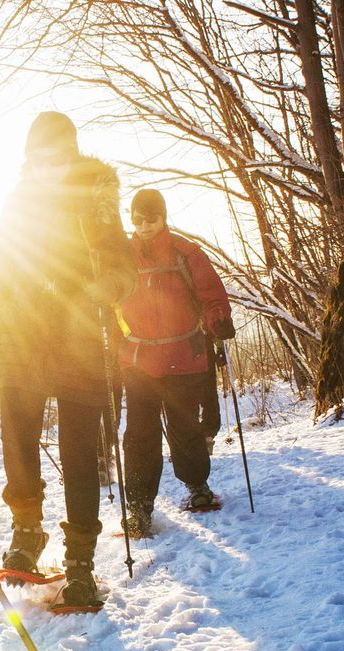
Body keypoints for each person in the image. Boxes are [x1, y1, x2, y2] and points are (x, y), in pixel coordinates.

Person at [0, 111, 136, 609]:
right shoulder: (17, 202)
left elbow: (123, 266)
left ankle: (80, 561)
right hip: (22, 334)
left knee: (78, 451)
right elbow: (1, 267)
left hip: (80, 337)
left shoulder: (96, 197)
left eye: (56, 157)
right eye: (37, 158)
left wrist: (106, 286)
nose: (47, 167)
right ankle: (27, 530)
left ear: (72, 154)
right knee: (16, 436)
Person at [117, 189, 234, 535]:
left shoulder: (186, 252)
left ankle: (197, 485)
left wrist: (218, 319)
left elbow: (211, 295)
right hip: (138, 359)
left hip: (182, 355)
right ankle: (139, 506)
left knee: (184, 427)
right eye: (137, 219)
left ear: (163, 217)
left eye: (151, 218)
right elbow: (105, 294)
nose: (144, 226)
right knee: (140, 434)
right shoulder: (122, 256)